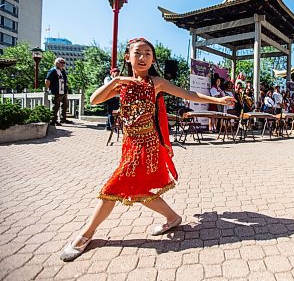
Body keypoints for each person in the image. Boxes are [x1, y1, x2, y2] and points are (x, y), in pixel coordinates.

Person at [60, 38, 234, 262]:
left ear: (153, 59)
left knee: (114, 187)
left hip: (148, 144)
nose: (143, 58)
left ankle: (86, 234)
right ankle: (172, 217)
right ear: (128, 57)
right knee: (138, 189)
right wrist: (117, 81)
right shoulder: (122, 84)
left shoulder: (156, 82)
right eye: (138, 53)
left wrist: (218, 100)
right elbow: (94, 100)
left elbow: (189, 95)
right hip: (130, 144)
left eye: (148, 54)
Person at [45, 57, 72, 125]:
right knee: (55, 106)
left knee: (65, 106)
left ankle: (63, 119)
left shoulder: (62, 71)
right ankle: (53, 120)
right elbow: (47, 80)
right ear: (57, 63)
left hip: (63, 91)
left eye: (64, 63)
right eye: (61, 62)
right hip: (56, 91)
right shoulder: (52, 71)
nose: (63, 64)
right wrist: (49, 88)